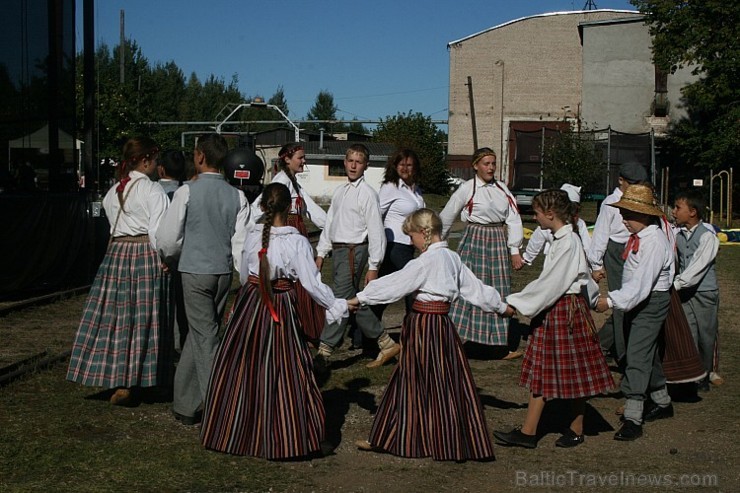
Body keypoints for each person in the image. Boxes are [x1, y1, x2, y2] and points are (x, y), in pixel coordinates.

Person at [349, 209, 512, 461]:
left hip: (424, 325)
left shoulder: (424, 262)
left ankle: (400, 437)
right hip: (443, 327)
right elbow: (475, 289)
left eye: (411, 236)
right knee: (445, 383)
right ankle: (446, 440)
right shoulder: (452, 258)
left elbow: (394, 284)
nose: (411, 242)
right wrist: (501, 307)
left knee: (411, 380)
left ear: (423, 233)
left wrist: (360, 298)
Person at [200, 183, 347, 459]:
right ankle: (285, 435)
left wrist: (249, 295)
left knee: (243, 365)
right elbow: (311, 283)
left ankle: (237, 430)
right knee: (287, 367)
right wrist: (335, 304)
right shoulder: (296, 241)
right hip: (279, 304)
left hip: (251, 302)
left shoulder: (252, 236)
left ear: (264, 207)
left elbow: (244, 274)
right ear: (289, 208)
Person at [494, 190, 613, 449]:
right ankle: (571, 427)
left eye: (536, 213)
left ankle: (532, 432)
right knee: (564, 371)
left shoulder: (568, 242)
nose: (535, 218)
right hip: (563, 308)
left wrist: (516, 303)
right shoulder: (563, 239)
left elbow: (552, 283)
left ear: (550, 214)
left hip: (561, 311)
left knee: (547, 372)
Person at [67, 137, 170, 406]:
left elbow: (113, 223)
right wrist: (166, 258)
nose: (157, 165)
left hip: (116, 255)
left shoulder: (113, 192)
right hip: (143, 254)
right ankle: (143, 379)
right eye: (155, 160)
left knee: (118, 319)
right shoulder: (153, 191)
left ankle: (120, 379)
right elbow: (159, 233)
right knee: (144, 319)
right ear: (146, 161)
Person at [156, 133, 246, 426]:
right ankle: (185, 404)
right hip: (221, 274)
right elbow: (240, 244)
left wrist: (172, 259)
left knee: (204, 339)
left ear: (200, 157)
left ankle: (219, 406)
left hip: (194, 271)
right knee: (201, 335)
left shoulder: (186, 192)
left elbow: (168, 239)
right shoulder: (238, 195)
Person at [594, 183, 675, 441]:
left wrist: (610, 301)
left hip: (650, 302)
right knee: (645, 350)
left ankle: (633, 416)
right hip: (640, 300)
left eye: (627, 214)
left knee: (637, 354)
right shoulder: (640, 238)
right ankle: (662, 401)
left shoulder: (653, 243)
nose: (622, 219)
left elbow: (641, 286)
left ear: (643, 215)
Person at [315, 144, 395, 368]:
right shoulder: (340, 191)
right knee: (354, 303)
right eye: (350, 160)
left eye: (358, 162)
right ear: (344, 162)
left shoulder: (368, 194)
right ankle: (386, 342)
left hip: (355, 251)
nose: (353, 165)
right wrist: (321, 253)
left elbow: (377, 231)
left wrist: (374, 265)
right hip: (339, 251)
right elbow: (330, 222)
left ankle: (325, 350)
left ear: (365, 166)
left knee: (339, 300)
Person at [439, 147, 523, 359]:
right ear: (476, 165)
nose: (491, 168)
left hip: (496, 240)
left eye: (493, 163)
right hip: (474, 239)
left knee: (497, 289)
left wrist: (514, 250)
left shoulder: (503, 189)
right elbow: (448, 215)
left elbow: (514, 219)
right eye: (486, 163)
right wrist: (437, 243)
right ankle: (453, 341)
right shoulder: (467, 189)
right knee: (466, 288)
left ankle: (497, 345)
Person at [252, 143, 327, 341]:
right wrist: (246, 223)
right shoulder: (280, 181)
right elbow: (262, 203)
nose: (304, 161)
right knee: (299, 282)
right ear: (287, 159)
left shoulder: (293, 182)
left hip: (298, 230)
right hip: (287, 231)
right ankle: (298, 328)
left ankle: (306, 328)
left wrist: (332, 227)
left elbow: (312, 208)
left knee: (305, 281)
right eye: (300, 158)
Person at [587, 162, 649, 368]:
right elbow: (601, 234)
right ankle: (623, 355)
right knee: (621, 302)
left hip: (638, 249)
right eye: (631, 183)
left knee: (635, 301)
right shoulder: (610, 203)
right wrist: (596, 264)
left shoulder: (641, 199)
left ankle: (598, 345)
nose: (634, 187)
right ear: (621, 180)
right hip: (617, 252)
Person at [672, 189, 720, 392]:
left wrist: (676, 284)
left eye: (677, 208)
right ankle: (692, 374)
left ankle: (706, 372)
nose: (674, 211)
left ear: (692, 212)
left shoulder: (708, 237)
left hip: (704, 292)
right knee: (689, 333)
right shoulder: (678, 235)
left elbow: (697, 267)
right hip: (685, 292)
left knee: (706, 336)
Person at [375, 148, 425, 316]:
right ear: (395, 166)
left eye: (409, 165)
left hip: (410, 247)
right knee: (413, 286)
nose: (405, 168)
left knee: (384, 290)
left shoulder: (416, 190)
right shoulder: (391, 187)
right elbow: (376, 215)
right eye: (401, 165)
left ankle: (364, 330)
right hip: (395, 246)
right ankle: (413, 328)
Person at [157, 150, 188, 353]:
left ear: (160, 169)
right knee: (181, 302)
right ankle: (180, 343)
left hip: (158, 254)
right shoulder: (186, 192)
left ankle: (161, 342)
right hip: (184, 254)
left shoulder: (153, 191)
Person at [522, 183, 591, 265]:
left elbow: (587, 247)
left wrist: (594, 266)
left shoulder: (574, 232)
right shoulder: (549, 225)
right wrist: (527, 257)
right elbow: (536, 240)